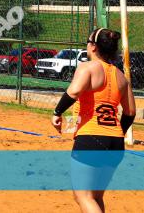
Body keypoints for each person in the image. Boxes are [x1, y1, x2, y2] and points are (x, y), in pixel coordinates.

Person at [51, 28, 136, 213]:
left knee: (83, 196)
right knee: (95, 197)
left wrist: (57, 112)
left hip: (91, 137)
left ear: (94, 47)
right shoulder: (121, 76)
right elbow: (130, 112)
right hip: (115, 142)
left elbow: (73, 92)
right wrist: (117, 133)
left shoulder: (88, 68)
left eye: (88, 42)